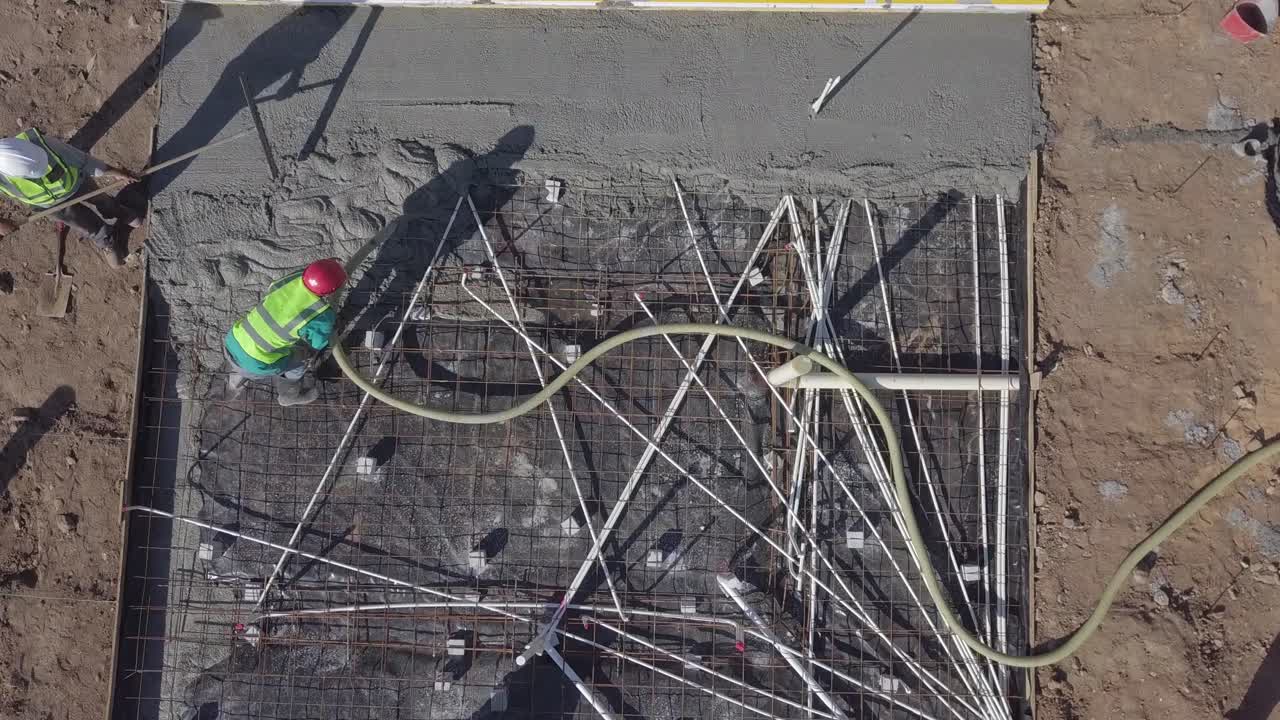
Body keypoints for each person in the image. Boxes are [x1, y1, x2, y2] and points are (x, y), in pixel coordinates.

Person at [0, 129, 141, 267]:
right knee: (86, 224)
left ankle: (117, 210)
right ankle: (106, 240)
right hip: (50, 206)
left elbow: (85, 161)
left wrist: (115, 172)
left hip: (76, 184)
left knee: (101, 199)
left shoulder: (42, 143)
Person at [225, 258, 347, 407]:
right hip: (257, 364)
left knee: (251, 350)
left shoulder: (290, 281)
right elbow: (317, 343)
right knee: (302, 357)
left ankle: (235, 382)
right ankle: (288, 395)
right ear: (331, 291)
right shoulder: (322, 315)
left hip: (233, 340)